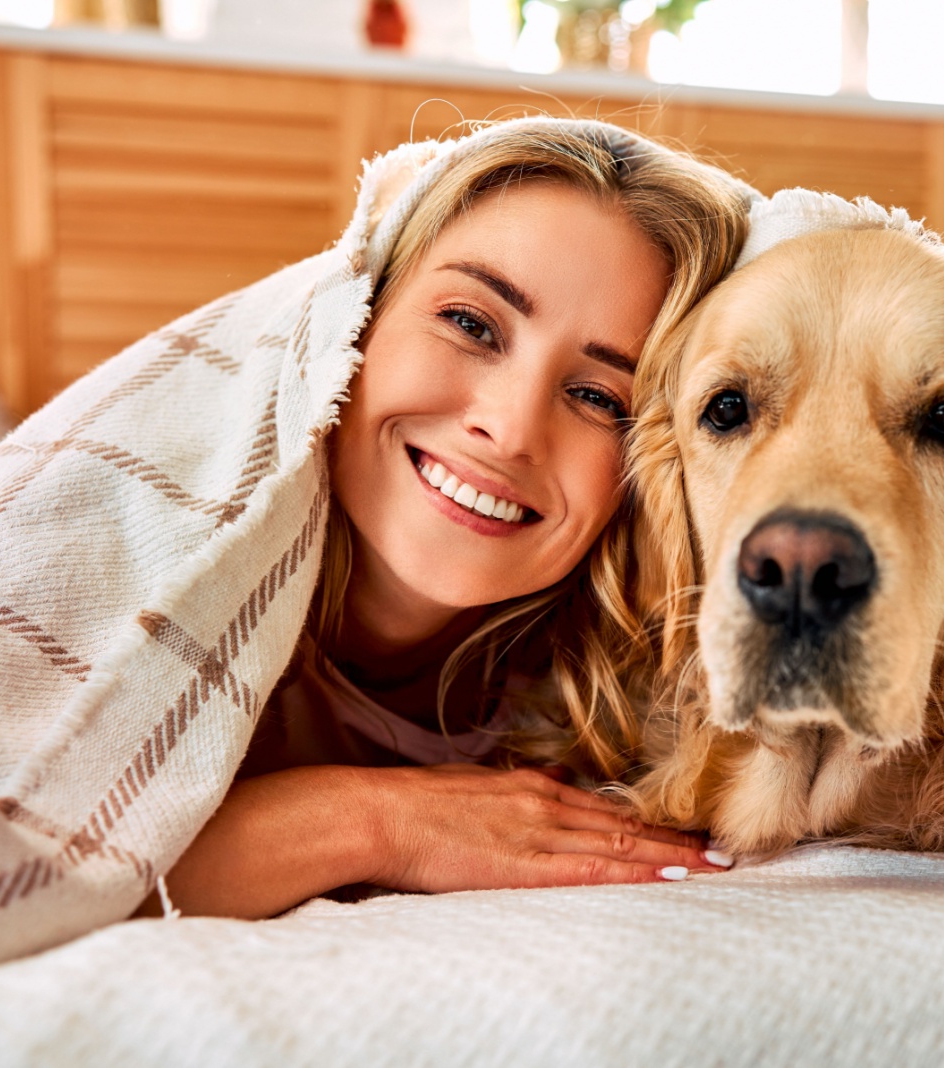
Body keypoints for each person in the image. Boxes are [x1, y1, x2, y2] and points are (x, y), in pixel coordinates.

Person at [135, 121, 752, 919]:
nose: (513, 428)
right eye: (471, 323)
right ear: (356, 318)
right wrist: (372, 819)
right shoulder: (143, 558)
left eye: (601, 398)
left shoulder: (620, 696)